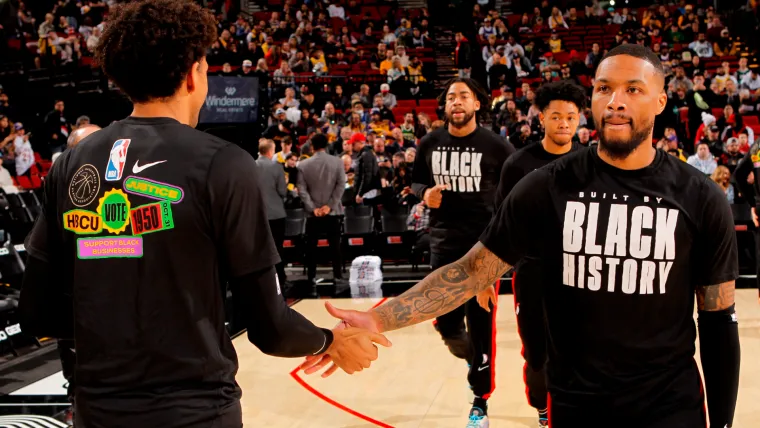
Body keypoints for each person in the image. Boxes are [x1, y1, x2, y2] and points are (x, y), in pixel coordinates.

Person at [303, 44, 741, 428]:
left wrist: (721, 423)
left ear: (662, 100)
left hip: (669, 406)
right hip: (577, 403)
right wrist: (379, 318)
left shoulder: (700, 198)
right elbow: (471, 271)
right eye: (604, 88)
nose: (615, 101)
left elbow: (719, 319)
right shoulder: (546, 186)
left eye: (633, 89)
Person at [17, 1, 390, 427]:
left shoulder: (69, 165)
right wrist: (329, 341)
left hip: (97, 411)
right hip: (195, 411)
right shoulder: (223, 164)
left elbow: (37, 314)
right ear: (192, 73)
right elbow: (269, 326)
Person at [409, 77, 516, 427]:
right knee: (446, 323)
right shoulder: (429, 142)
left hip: (484, 248)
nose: (457, 102)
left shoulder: (496, 146)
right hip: (443, 244)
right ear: (444, 106)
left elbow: (516, 187)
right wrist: (425, 194)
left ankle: (479, 402)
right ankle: (473, 356)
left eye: (463, 96)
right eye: (451, 97)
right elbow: (414, 181)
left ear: (476, 105)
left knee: (481, 323)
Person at [491, 80, 587, 428]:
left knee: (583, 347)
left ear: (579, 120)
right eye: (557, 116)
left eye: (571, 117)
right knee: (536, 352)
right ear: (542, 118)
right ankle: (543, 411)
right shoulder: (518, 164)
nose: (564, 123)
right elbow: (500, 223)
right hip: (532, 271)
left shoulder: (591, 163)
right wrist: (488, 274)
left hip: (582, 271)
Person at [296, 133, 347, 284]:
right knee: (335, 246)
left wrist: (313, 208)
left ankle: (311, 277)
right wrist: (329, 206)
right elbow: (341, 185)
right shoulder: (337, 162)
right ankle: (337, 276)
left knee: (311, 247)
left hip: (313, 215)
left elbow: (301, 189)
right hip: (332, 213)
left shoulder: (303, 165)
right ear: (326, 145)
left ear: (312, 146)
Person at [255, 139, 288, 288]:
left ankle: (264, 281)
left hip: (258, 214)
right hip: (276, 214)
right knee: (277, 248)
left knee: (261, 249)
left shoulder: (251, 165)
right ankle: (280, 279)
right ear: (270, 151)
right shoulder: (276, 166)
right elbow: (282, 191)